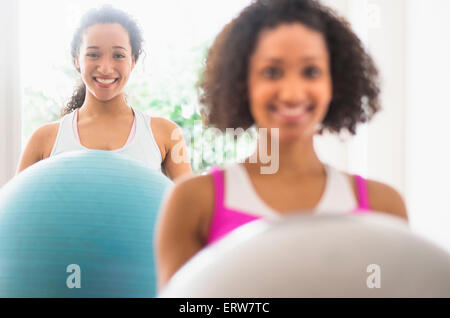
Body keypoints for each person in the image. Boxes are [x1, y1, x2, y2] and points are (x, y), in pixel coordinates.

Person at [155, 0, 409, 290]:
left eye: (311, 71)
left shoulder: (384, 205)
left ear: (334, 83)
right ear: (242, 83)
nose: (291, 93)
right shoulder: (193, 202)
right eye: (272, 72)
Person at [17, 5, 191, 181]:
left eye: (118, 55)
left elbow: (191, 206)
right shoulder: (44, 139)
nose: (106, 68)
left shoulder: (167, 134)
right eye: (93, 54)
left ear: (132, 61)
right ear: (78, 60)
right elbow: (16, 205)